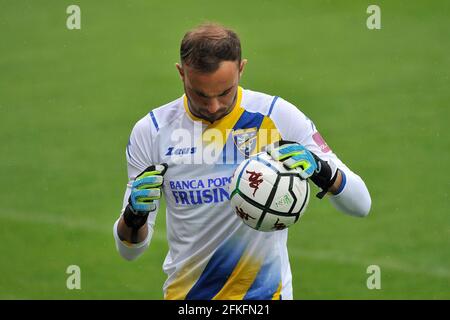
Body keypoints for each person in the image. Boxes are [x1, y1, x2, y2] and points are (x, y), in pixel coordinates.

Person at [113, 23, 371, 300]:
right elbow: (130, 251)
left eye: (225, 92)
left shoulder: (277, 116)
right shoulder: (152, 131)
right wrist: (133, 215)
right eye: (200, 94)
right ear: (181, 73)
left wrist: (322, 171)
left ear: (241, 69)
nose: (213, 107)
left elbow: (361, 205)